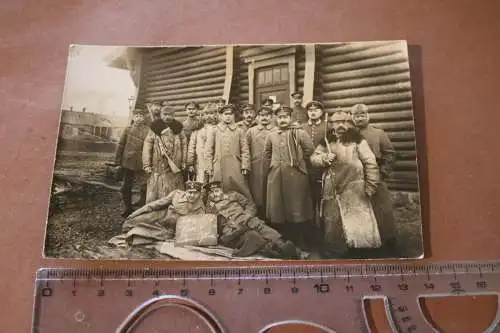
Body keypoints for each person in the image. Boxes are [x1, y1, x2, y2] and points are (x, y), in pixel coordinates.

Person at [310, 110, 381, 258]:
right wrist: (324, 158)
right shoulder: (327, 141)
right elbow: (314, 158)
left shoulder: (358, 140)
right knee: (334, 222)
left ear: (349, 124)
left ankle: (361, 251)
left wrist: (371, 185)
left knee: (358, 221)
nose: (340, 125)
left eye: (343, 122)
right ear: (332, 125)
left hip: (354, 187)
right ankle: (336, 251)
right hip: (332, 188)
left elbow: (370, 162)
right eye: (336, 123)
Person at [205, 181, 305, 259]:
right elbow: (212, 224)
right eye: (212, 192)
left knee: (259, 228)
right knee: (253, 236)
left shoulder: (234, 195)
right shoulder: (210, 208)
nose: (215, 194)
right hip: (233, 231)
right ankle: (281, 250)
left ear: (222, 190)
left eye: (217, 191)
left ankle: (284, 247)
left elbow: (251, 205)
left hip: (246, 221)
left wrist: (247, 215)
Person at [263, 105, 315, 250]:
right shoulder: (272, 135)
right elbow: (266, 153)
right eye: (280, 117)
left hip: (295, 175)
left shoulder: (299, 133)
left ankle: (300, 240)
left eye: (285, 117)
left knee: (297, 206)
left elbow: (309, 150)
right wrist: (271, 168)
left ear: (290, 118)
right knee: (278, 208)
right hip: (276, 175)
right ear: (276, 119)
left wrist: (297, 161)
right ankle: (282, 240)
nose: (283, 120)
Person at [351, 103, 399, 254]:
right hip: (355, 177)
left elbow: (390, 154)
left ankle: (388, 242)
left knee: (382, 209)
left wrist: (383, 172)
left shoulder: (379, 133)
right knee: (359, 210)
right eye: (356, 116)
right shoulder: (349, 134)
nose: (359, 118)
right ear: (352, 117)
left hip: (376, 175)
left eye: (362, 115)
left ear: (368, 116)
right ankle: (363, 243)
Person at [122, 180, 205, 237]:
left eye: (195, 193)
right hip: (160, 216)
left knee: (143, 234)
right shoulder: (177, 194)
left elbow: (196, 226)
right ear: (185, 192)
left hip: (171, 228)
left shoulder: (200, 207)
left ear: (199, 194)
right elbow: (155, 205)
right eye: (190, 192)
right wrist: (135, 213)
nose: (192, 196)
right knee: (131, 222)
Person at [205, 104, 253, 201]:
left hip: (235, 165)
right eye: (225, 114)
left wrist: (245, 165)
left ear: (234, 116)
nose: (228, 116)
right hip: (218, 165)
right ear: (221, 116)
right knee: (218, 189)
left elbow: (245, 150)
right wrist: (209, 167)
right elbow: (208, 150)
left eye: (231, 114)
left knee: (239, 188)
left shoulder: (239, 131)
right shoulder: (214, 130)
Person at [142, 104, 187, 203]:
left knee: (174, 189)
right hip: (158, 165)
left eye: (170, 114)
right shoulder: (154, 128)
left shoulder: (178, 128)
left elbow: (184, 145)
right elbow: (147, 146)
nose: (167, 117)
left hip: (175, 165)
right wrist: (146, 164)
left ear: (174, 115)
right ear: (161, 114)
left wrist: (183, 161)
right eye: (165, 114)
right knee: (157, 190)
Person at [114, 108, 150, 217]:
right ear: (133, 118)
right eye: (137, 116)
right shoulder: (127, 129)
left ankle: (143, 207)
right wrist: (117, 162)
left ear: (144, 118)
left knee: (144, 185)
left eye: (141, 116)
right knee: (126, 187)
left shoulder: (148, 130)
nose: (139, 118)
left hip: (142, 162)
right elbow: (121, 145)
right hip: (128, 162)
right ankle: (128, 207)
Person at [246, 106, 276, 218]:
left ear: (271, 117)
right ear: (258, 117)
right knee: (257, 192)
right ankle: (258, 217)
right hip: (256, 166)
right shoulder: (251, 131)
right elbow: (245, 149)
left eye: (267, 115)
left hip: (272, 165)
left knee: (271, 191)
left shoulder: (276, 130)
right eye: (262, 115)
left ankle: (272, 217)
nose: (264, 118)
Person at [302, 101, 329, 226]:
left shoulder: (327, 127)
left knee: (324, 202)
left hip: (323, 170)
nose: (312, 112)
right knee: (308, 203)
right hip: (306, 170)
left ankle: (324, 230)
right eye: (310, 110)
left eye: (316, 109)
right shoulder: (302, 128)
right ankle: (310, 230)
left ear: (321, 112)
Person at [187, 103, 219, 183]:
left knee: (214, 182)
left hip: (215, 160)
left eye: (211, 113)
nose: (208, 116)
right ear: (203, 115)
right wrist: (190, 163)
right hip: (200, 161)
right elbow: (192, 146)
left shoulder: (219, 128)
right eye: (206, 113)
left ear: (215, 114)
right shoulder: (198, 129)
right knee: (201, 181)